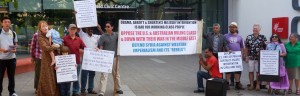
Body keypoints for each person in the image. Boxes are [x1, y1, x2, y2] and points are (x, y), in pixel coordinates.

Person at [97, 21, 123, 96]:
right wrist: (99, 52)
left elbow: (122, 41)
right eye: (106, 27)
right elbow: (101, 47)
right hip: (106, 59)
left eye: (108, 26)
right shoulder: (103, 37)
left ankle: (118, 88)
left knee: (116, 74)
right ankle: (102, 91)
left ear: (112, 27)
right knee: (104, 75)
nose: (106, 28)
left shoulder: (116, 35)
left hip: (115, 58)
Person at [36, 20, 60, 96]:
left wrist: (58, 45)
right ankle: (48, 93)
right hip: (47, 60)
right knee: (47, 77)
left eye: (46, 25)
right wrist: (53, 47)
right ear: (40, 29)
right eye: (43, 26)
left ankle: (55, 93)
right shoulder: (40, 37)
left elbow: (58, 41)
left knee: (55, 75)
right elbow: (45, 48)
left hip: (55, 57)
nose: (45, 27)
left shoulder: (51, 34)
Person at [63, 24, 86, 96]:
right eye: (71, 29)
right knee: (68, 78)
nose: (72, 30)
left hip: (77, 62)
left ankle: (75, 92)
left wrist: (83, 50)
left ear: (76, 30)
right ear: (68, 30)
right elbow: (61, 49)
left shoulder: (79, 39)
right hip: (67, 62)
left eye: (74, 29)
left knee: (76, 77)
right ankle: (67, 92)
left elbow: (85, 48)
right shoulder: (64, 39)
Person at [78, 27, 101, 95]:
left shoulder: (96, 36)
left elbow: (104, 37)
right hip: (86, 58)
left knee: (92, 74)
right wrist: (77, 17)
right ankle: (82, 90)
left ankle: (90, 89)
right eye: (89, 29)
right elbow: (78, 27)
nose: (90, 30)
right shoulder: (83, 35)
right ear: (86, 30)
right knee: (84, 74)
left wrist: (100, 29)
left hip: (93, 59)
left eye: (91, 29)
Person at [245, 24, 267, 91]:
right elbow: (246, 47)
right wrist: (246, 56)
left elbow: (266, 47)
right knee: (250, 71)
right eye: (254, 28)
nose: (255, 29)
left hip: (259, 58)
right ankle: (251, 85)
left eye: (256, 28)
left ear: (259, 29)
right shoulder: (249, 37)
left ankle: (258, 84)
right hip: (251, 57)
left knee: (258, 72)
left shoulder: (263, 37)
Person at [224, 22, 245, 90]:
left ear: (236, 28)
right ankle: (227, 84)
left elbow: (242, 47)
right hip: (228, 56)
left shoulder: (240, 37)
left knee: (237, 71)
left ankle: (237, 84)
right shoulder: (225, 36)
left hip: (237, 57)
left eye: (234, 27)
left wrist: (242, 55)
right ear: (229, 28)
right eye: (231, 27)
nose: (232, 28)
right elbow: (223, 45)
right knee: (228, 70)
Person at [0, 17, 18, 96]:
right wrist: (1, 49)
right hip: (1, 59)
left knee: (11, 77)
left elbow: (15, 43)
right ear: (2, 23)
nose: (7, 23)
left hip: (12, 58)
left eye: (8, 22)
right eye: (5, 22)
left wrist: (15, 48)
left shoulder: (13, 33)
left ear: (10, 24)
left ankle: (12, 92)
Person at [30, 25, 42, 93]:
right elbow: (32, 46)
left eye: (45, 26)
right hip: (38, 56)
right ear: (39, 27)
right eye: (42, 26)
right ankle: (37, 88)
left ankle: (43, 87)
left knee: (45, 74)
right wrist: (32, 56)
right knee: (38, 73)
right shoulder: (36, 35)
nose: (44, 27)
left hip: (46, 58)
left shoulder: (48, 34)